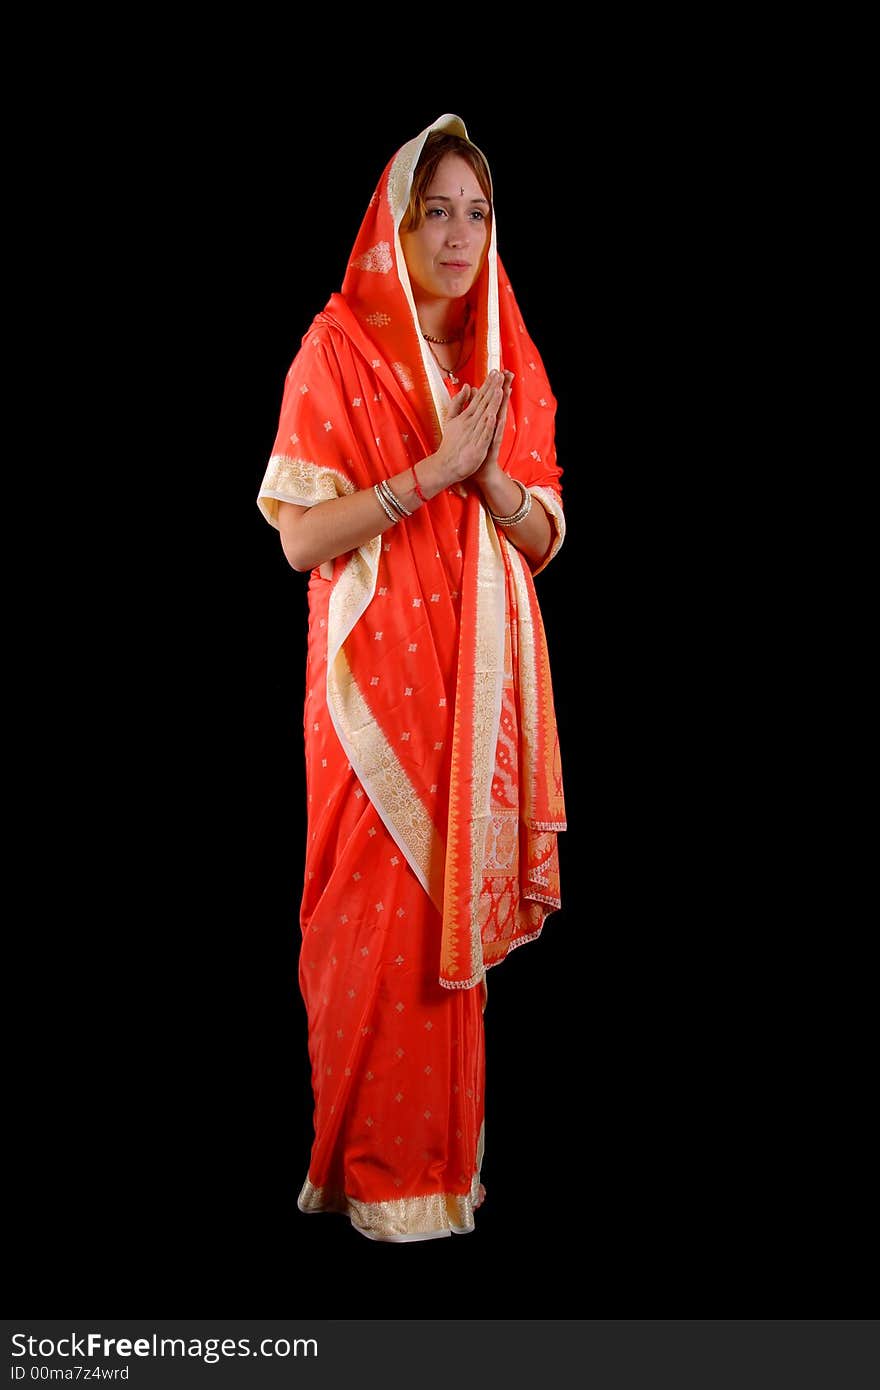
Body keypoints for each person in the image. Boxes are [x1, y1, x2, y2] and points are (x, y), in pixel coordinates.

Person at [257, 113, 566, 1243]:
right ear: (395, 224)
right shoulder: (336, 348)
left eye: (475, 211)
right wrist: (428, 474)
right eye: (435, 208)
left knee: (447, 942)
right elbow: (296, 539)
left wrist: (485, 487)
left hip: (468, 692)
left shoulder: (505, 356)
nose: (458, 233)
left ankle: (435, 1180)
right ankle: (358, 1172)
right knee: (365, 922)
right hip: (369, 692)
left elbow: (542, 536)